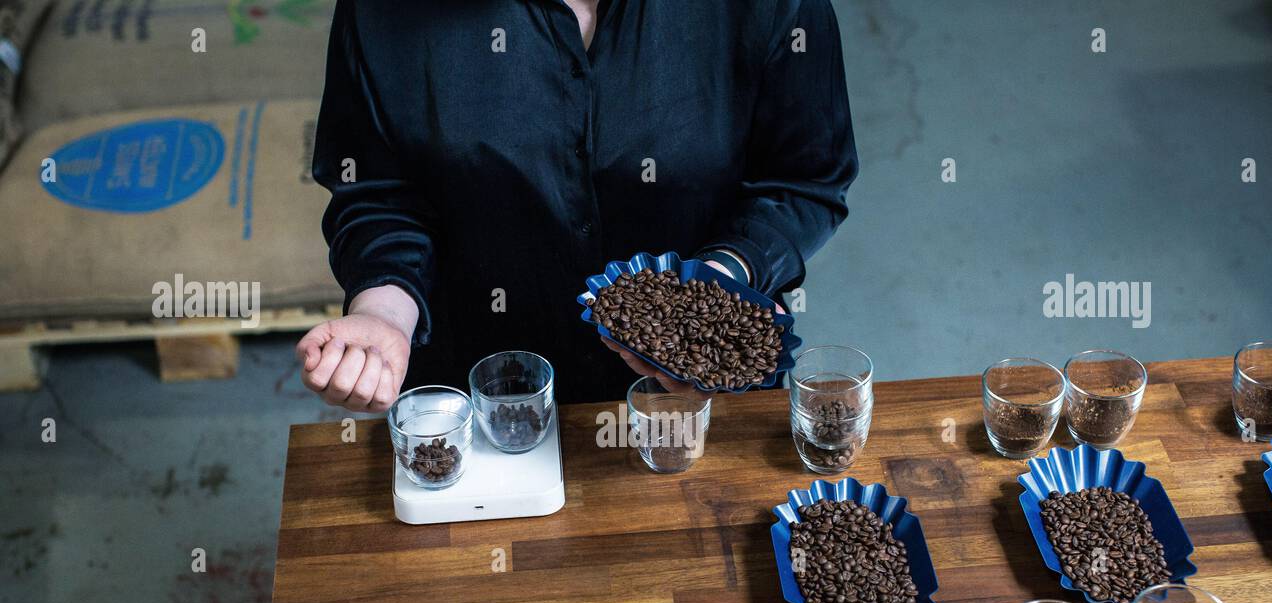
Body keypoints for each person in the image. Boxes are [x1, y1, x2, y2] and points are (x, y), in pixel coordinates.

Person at [297, 0, 858, 410]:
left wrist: (719, 283)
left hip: (703, 387)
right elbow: (374, 190)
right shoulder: (381, 13)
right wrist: (383, 313)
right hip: (483, 390)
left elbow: (804, 178)